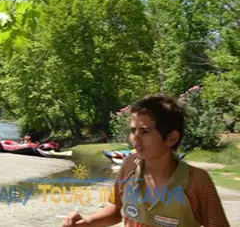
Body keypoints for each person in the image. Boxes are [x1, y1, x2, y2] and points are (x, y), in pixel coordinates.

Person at [61, 94, 230, 227]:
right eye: (133, 130)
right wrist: (87, 222)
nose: (135, 139)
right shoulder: (129, 166)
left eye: (145, 131)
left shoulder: (196, 181)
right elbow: (116, 210)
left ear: (171, 138)